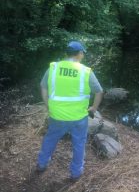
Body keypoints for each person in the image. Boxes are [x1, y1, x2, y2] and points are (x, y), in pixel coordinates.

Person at [37, 40, 104, 181]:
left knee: (50, 139)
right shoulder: (86, 71)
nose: (83, 55)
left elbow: (43, 86)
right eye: (83, 53)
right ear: (79, 54)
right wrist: (94, 108)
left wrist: (47, 104)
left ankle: (42, 164)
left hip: (57, 115)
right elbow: (99, 92)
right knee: (79, 144)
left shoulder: (53, 68)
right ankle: (76, 173)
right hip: (78, 117)